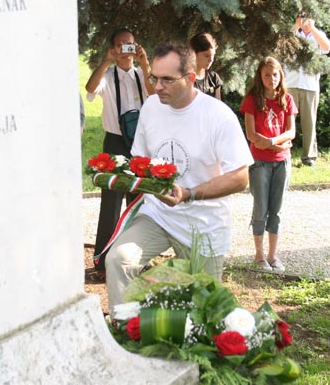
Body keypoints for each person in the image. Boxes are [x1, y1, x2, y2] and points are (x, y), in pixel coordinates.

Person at [105, 42, 253, 310]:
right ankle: (126, 327)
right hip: (158, 215)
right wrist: (118, 174)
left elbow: (240, 177)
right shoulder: (151, 107)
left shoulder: (218, 116)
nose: (158, 86)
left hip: (203, 224)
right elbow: (140, 159)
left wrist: (189, 194)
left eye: (167, 80)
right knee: (119, 260)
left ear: (191, 77)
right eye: (154, 78)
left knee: (205, 306)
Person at [85, 28, 154, 270]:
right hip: (114, 142)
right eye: (121, 45)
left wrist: (145, 63)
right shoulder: (107, 75)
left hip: (139, 143)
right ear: (114, 48)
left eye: (130, 44)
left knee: (138, 202)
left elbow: (155, 93)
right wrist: (106, 60)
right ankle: (103, 260)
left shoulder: (142, 74)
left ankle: (137, 258)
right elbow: (91, 88)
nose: (126, 49)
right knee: (110, 202)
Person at [240, 57, 297, 273]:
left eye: (275, 74)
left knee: (276, 209)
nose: (271, 79)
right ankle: (259, 255)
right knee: (260, 208)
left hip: (282, 162)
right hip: (259, 163)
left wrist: (273, 143)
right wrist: (274, 145)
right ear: (260, 77)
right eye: (266, 75)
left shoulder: (287, 99)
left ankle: (273, 256)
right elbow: (251, 134)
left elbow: (291, 131)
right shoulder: (252, 100)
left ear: (280, 75)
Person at [285, 14, 330, 166]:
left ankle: (309, 156)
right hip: (290, 83)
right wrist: (296, 26)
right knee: (286, 120)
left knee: (309, 122)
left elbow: (326, 47)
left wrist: (313, 29)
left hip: (310, 85)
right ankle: (284, 153)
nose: (305, 21)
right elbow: (283, 46)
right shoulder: (293, 32)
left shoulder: (318, 34)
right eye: (303, 17)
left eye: (308, 17)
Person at [189, 32, 223, 99]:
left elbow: (217, 104)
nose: (211, 60)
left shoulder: (214, 79)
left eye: (213, 55)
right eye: (206, 56)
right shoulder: (184, 79)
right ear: (194, 54)